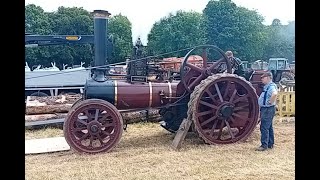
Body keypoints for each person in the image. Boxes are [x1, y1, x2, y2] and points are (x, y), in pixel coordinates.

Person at [256, 71, 278, 151]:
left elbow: (275, 94)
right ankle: (270, 144)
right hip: (268, 109)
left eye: (263, 78)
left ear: (268, 78)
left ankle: (263, 145)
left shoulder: (271, 86)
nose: (261, 79)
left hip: (268, 109)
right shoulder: (268, 86)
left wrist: (270, 101)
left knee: (264, 127)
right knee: (269, 127)